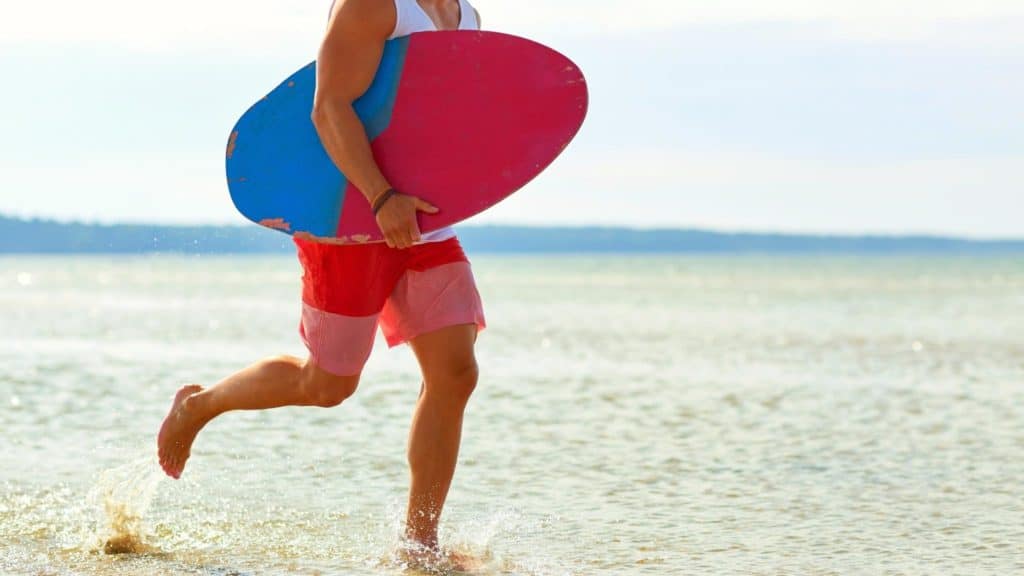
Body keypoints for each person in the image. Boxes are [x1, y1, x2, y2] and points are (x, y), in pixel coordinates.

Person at [157, 0, 486, 567]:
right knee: (327, 384)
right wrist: (382, 197)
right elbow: (329, 106)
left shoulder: (467, 16)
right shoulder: (373, 5)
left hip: (426, 222)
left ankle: (417, 544)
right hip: (351, 221)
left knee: (455, 373)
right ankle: (201, 406)